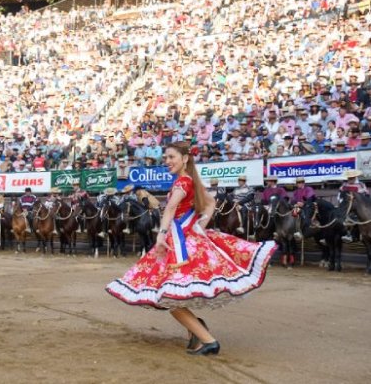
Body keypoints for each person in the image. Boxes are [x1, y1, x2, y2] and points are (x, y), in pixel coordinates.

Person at [106, 141, 276, 356]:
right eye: (165, 158)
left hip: (180, 243)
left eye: (171, 157)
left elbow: (170, 209)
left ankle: (207, 339)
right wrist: (201, 223)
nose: (167, 161)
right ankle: (197, 330)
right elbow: (211, 203)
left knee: (167, 296)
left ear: (185, 158)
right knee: (169, 294)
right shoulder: (191, 181)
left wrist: (161, 234)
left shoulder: (182, 183)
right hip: (187, 238)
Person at [339, 169, 367, 243]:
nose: (350, 179)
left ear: (355, 177)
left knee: (356, 217)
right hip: (345, 204)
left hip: (358, 205)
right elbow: (339, 196)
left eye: (351, 177)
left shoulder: (361, 185)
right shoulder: (344, 185)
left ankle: (353, 235)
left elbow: (365, 196)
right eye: (349, 178)